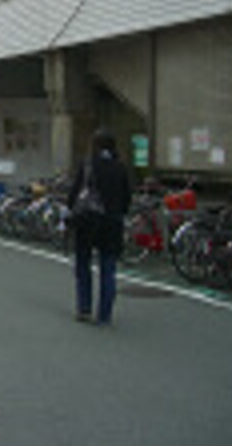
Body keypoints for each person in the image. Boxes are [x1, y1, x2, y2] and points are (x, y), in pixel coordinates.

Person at [67, 129, 131, 326]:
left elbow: (74, 194)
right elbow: (127, 199)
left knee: (83, 264)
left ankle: (84, 308)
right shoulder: (120, 167)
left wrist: (72, 210)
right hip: (112, 223)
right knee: (108, 269)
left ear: (94, 145)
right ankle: (104, 315)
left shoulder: (88, 165)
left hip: (88, 221)